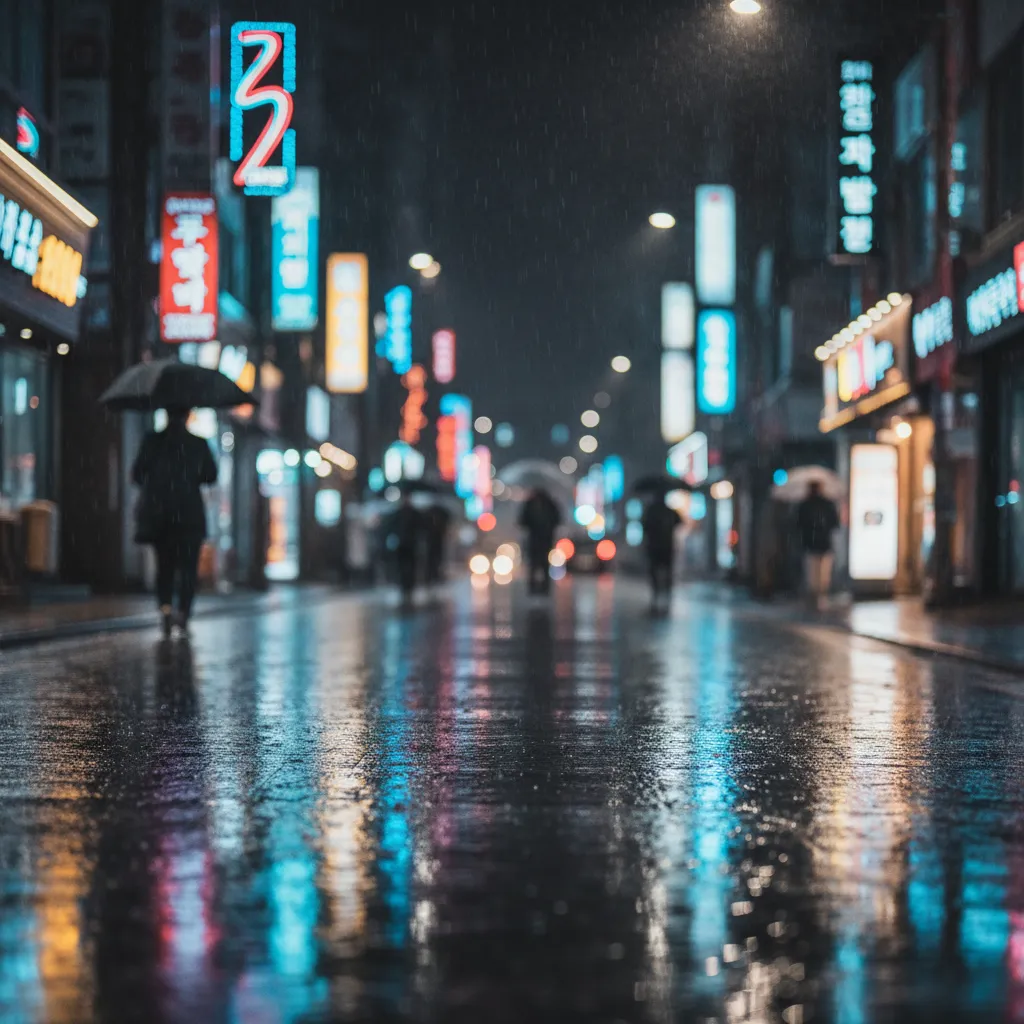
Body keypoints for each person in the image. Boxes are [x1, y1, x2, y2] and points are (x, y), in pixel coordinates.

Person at [132, 409, 217, 638]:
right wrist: (190, 474)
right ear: (187, 414)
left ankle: (166, 608)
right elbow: (211, 475)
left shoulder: (153, 441)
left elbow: (137, 474)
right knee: (188, 568)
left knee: (165, 566)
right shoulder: (198, 444)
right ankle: (184, 612)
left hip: (161, 516)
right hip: (189, 516)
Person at [797, 480, 840, 609]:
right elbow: (835, 523)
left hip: (810, 543)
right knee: (823, 574)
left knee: (812, 573)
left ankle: (814, 597)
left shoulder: (805, 505)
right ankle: (822, 597)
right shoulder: (828, 504)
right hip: (825, 543)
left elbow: (798, 524)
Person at [518, 488, 561, 594]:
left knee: (536, 564)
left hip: (538, 538)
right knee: (540, 564)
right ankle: (541, 587)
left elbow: (522, 520)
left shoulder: (531, 505)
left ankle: (536, 587)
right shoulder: (549, 505)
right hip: (542, 538)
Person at [642, 497, 679, 609]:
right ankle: (665, 593)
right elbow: (679, 522)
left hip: (655, 546)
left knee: (655, 570)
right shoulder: (669, 511)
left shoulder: (651, 511)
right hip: (666, 546)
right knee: (666, 570)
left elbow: (644, 526)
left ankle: (657, 593)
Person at [389, 493, 424, 604]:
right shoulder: (400, 514)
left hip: (410, 544)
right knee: (403, 566)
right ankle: (404, 585)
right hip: (403, 544)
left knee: (409, 565)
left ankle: (408, 585)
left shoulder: (412, 514)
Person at [424, 502, 452, 585]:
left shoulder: (441, 514)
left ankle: (435, 576)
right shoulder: (428, 515)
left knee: (438, 558)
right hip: (431, 542)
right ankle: (431, 576)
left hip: (438, 541)